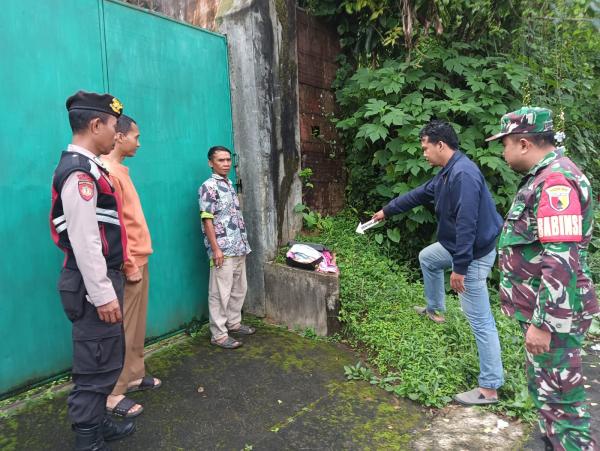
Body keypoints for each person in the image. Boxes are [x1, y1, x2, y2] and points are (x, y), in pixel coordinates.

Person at [488, 107, 599, 450]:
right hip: (549, 314)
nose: (502, 152)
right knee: (549, 399)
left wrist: (545, 323)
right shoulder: (545, 177)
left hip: (555, 318)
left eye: (504, 144)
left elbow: (560, 258)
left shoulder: (555, 183)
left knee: (564, 408)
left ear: (523, 143)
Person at [372, 120, 504, 405]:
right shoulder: (446, 174)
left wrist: (460, 268)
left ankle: (490, 388)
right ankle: (435, 311)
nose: (423, 153)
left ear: (441, 145)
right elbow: (418, 195)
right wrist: (386, 211)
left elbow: (467, 223)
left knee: (479, 319)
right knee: (428, 257)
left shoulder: (464, 175)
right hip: (459, 247)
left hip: (474, 254)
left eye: (425, 147)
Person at [50, 91, 134, 450]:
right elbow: (85, 242)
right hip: (90, 283)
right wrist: (102, 293)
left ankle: (98, 424)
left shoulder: (91, 168)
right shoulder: (79, 173)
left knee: (107, 357)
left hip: (99, 278)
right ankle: (88, 439)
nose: (117, 134)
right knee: (94, 365)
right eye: (114, 127)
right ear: (95, 124)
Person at [101, 115, 160, 419]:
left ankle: (135, 374)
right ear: (120, 137)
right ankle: (113, 392)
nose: (139, 141)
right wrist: (129, 264)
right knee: (123, 330)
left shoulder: (121, 170)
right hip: (130, 264)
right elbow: (115, 228)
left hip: (139, 259)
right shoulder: (109, 172)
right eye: (135, 136)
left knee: (137, 326)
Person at [198, 146, 254, 349]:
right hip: (222, 249)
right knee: (219, 293)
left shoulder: (229, 184)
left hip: (239, 246)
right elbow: (207, 219)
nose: (226, 164)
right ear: (210, 163)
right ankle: (219, 335)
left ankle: (234, 323)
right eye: (221, 160)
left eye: (228, 160)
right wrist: (216, 249)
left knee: (239, 289)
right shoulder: (208, 187)